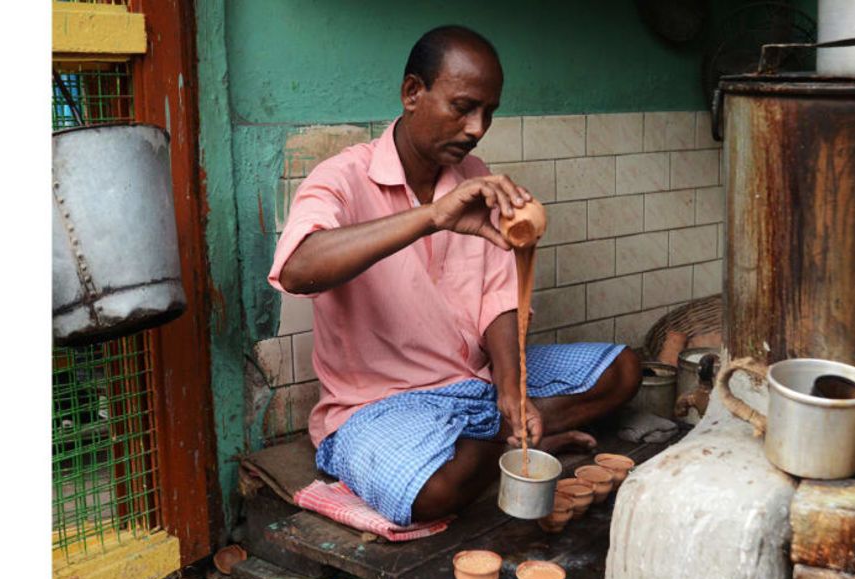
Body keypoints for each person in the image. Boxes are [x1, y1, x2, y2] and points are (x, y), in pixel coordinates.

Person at [269, 25, 641, 526]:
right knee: (433, 490)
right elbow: (297, 269)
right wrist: (431, 216)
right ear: (412, 93)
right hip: (381, 407)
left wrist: (511, 386)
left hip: (475, 385)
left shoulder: (475, 175)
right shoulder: (341, 178)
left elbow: (497, 295)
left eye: (488, 112)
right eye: (463, 107)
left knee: (622, 370)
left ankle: (506, 432)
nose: (476, 128)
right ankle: (514, 441)